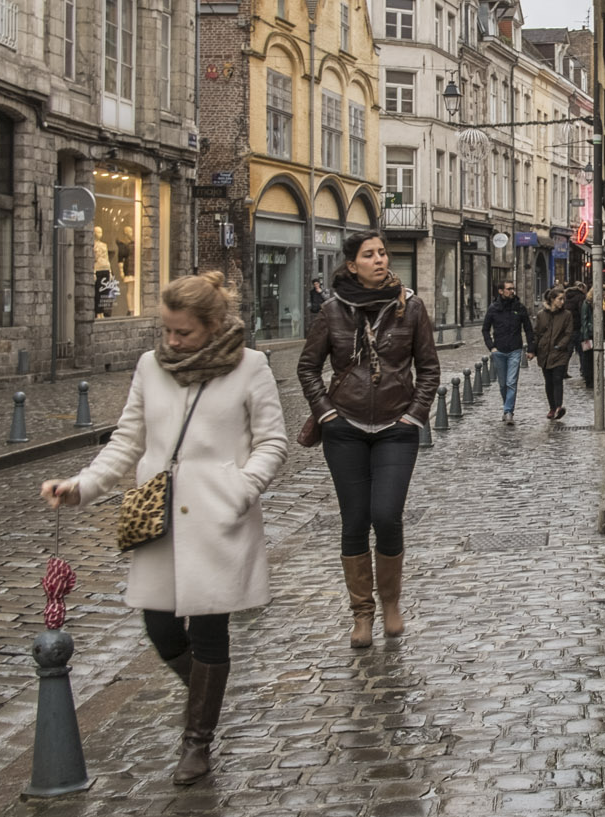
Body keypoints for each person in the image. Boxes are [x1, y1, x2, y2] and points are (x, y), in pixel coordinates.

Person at [37, 270, 288, 786]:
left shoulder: (251, 367)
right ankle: (206, 696)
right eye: (167, 331)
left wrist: (238, 490)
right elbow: (128, 441)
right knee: (160, 626)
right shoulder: (151, 367)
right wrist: (81, 485)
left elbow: (272, 443)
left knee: (211, 630)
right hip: (158, 516)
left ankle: (196, 741)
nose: (172, 341)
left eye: (184, 333)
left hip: (220, 520)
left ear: (214, 325)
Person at [298, 231, 440, 649]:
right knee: (355, 520)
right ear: (352, 264)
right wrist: (327, 412)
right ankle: (362, 614)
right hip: (346, 429)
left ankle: (391, 603)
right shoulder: (332, 311)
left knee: (387, 514)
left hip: (397, 429)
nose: (379, 260)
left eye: (382, 253)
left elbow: (429, 368)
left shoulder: (410, 308)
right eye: (369, 254)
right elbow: (308, 367)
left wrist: (414, 415)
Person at [481, 279, 535, 424]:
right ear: (501, 291)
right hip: (499, 351)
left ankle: (508, 411)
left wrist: (531, 348)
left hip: (515, 350)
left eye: (513, 289)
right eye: (509, 289)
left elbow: (528, 329)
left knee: (511, 382)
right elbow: (485, 329)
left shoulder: (519, 307)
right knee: (503, 384)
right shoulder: (493, 308)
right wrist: (491, 347)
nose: (512, 291)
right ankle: (507, 407)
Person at [530, 286, 575, 421]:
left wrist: (559, 346)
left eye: (563, 299)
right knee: (548, 381)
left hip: (560, 353)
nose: (562, 302)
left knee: (557, 379)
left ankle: (558, 407)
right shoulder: (541, 315)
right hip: (545, 353)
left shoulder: (567, 315)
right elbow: (537, 334)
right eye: (560, 299)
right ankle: (552, 407)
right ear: (552, 299)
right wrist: (532, 350)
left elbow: (568, 333)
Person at [565, 282, 595, 389]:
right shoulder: (582, 299)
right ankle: (584, 371)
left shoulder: (567, 297)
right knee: (583, 353)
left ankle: (564, 370)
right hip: (579, 329)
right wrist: (586, 334)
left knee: (568, 351)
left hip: (569, 328)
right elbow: (583, 316)